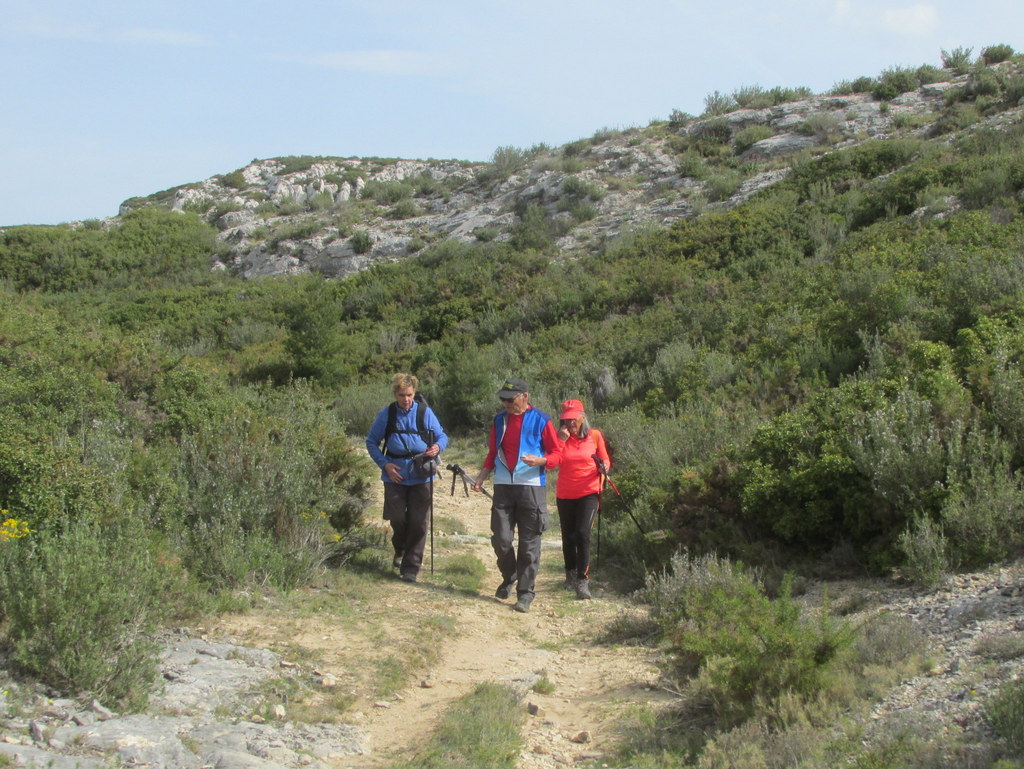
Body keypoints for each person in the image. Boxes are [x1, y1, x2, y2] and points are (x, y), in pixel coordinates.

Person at [472, 377, 561, 613]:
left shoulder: (541, 420)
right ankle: (510, 575)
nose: (507, 404)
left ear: (525, 397)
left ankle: (525, 593)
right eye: (503, 399)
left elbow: (556, 455)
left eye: (511, 400)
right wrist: (481, 477)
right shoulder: (499, 420)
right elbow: (492, 452)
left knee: (529, 543)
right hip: (503, 485)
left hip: (532, 487)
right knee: (500, 539)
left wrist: (540, 460)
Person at [366, 373, 448, 583]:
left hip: (421, 474)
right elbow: (372, 442)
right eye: (402, 395)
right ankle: (400, 549)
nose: (406, 399)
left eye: (409, 394)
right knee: (398, 518)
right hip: (395, 475)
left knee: (419, 522)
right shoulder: (387, 414)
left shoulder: (424, 412)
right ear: (395, 394)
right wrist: (385, 464)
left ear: (414, 393)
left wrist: (437, 447)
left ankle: (411, 567)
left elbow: (442, 436)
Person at [554, 399, 610, 600]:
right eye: (565, 420)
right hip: (565, 493)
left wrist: (604, 468)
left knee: (582, 533)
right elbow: (553, 462)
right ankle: (569, 574)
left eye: (572, 420)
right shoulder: (561, 437)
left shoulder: (595, 436)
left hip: (589, 492)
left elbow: (605, 459)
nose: (569, 424)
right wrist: (560, 441)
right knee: (568, 536)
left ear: (582, 417)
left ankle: (582, 580)